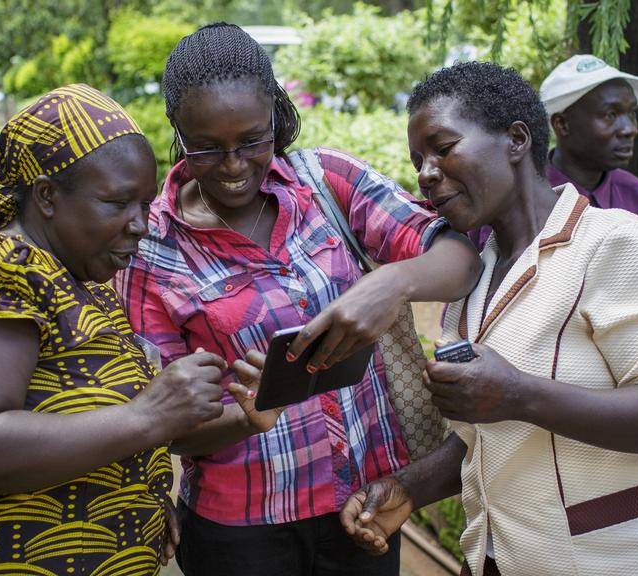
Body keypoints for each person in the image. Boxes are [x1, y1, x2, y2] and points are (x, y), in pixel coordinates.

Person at [114, 23, 479, 576]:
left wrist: (390, 284)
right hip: (240, 534)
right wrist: (246, 418)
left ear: (275, 114)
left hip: (363, 505)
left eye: (253, 140)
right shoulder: (154, 250)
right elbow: (163, 424)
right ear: (177, 130)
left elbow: (460, 260)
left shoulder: (325, 182)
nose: (234, 165)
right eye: (207, 147)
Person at [0, 84, 267, 576]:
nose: (140, 225)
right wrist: (148, 415)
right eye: (117, 202)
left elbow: (86, 428)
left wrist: (137, 493)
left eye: (145, 204)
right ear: (47, 196)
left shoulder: (83, 284)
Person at [341, 62, 638, 576]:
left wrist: (519, 394)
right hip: (499, 559)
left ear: (517, 140)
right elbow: (491, 435)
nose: (426, 173)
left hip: (619, 560)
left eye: (443, 148)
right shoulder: (477, 275)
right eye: (418, 161)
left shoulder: (613, 243)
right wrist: (409, 488)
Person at [470, 54, 638, 248]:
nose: (630, 129)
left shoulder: (635, 193)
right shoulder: (513, 196)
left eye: (632, 113)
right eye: (610, 115)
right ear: (562, 124)